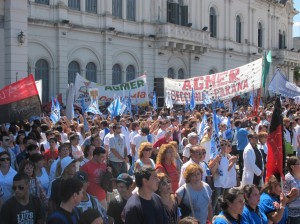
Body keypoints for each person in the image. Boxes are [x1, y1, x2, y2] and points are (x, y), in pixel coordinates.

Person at [283, 156, 300, 224]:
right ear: (292, 167)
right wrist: (294, 194)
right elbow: (284, 200)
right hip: (293, 214)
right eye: (298, 163)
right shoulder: (287, 179)